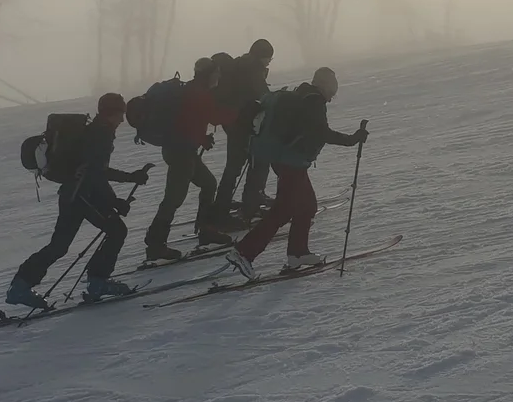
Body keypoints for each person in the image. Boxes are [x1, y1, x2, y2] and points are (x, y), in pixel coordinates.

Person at [5, 92, 151, 308]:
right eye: (120, 114)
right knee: (117, 231)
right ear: (112, 113)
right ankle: (98, 282)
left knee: (59, 246)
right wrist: (119, 194)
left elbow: (91, 171)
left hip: (72, 194)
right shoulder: (101, 134)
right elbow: (95, 173)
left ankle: (20, 287)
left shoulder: (94, 131)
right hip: (84, 195)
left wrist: (118, 193)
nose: (122, 119)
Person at [228, 66, 367, 279]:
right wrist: (352, 139)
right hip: (291, 162)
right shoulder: (314, 101)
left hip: (287, 160)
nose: (331, 97)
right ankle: (244, 252)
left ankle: (298, 253)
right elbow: (321, 132)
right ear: (325, 86)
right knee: (283, 211)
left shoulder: (302, 93)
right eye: (332, 91)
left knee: (307, 206)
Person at [142, 57, 239, 262]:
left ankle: (206, 229)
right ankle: (155, 243)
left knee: (208, 184)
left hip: (180, 150)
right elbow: (212, 117)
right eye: (217, 73)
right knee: (174, 198)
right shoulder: (199, 94)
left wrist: (201, 138)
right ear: (209, 75)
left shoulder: (192, 90)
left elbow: (190, 122)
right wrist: (240, 112)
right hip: (181, 153)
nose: (219, 77)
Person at [213, 38, 275, 220]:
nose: (269, 62)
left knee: (234, 165)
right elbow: (263, 95)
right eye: (269, 58)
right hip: (244, 123)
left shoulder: (241, 64)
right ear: (262, 56)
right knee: (258, 161)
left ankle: (223, 204)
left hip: (233, 122)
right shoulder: (252, 69)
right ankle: (250, 202)